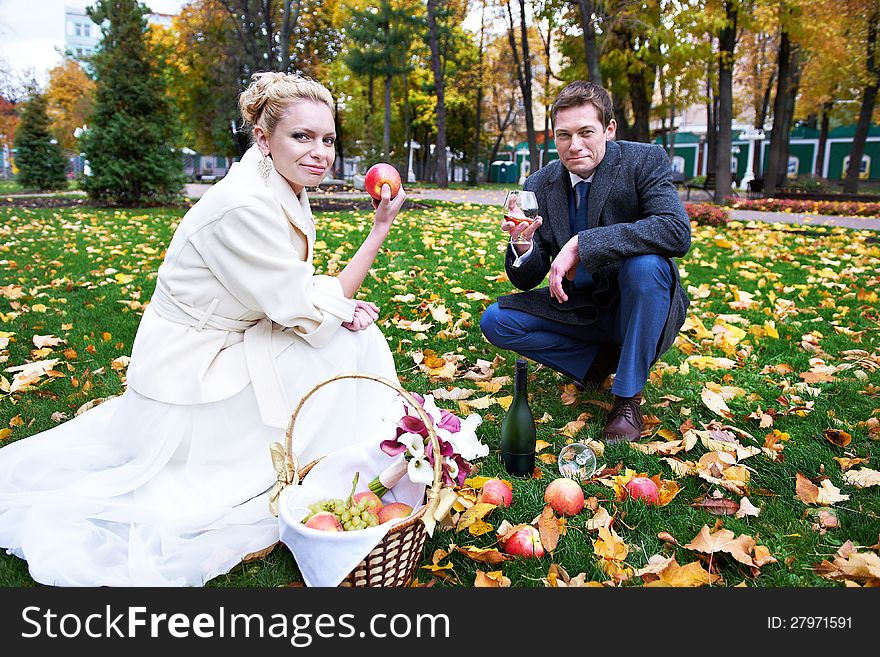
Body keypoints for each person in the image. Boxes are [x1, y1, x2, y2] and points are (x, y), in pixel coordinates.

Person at [0, 72, 407, 586]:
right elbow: (307, 307)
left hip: (234, 338)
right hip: (193, 364)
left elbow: (304, 296)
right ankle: (354, 466)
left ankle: (359, 464)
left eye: (327, 139)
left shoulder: (279, 185)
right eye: (301, 137)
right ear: (264, 137)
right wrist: (337, 310)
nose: (319, 152)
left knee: (354, 332)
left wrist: (379, 229)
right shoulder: (245, 204)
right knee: (352, 339)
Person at [480, 80, 691, 444]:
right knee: (496, 321)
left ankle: (626, 399)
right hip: (579, 308)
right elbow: (526, 280)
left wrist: (583, 243)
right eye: (563, 135)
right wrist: (522, 243)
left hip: (638, 306)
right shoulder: (541, 183)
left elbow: (675, 230)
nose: (574, 146)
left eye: (585, 132)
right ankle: (598, 363)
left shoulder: (643, 161)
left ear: (609, 130)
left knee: (647, 266)